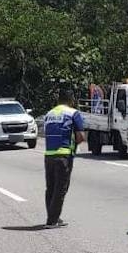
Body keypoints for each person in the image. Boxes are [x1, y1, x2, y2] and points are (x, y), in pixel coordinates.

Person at [43, 89, 85, 228]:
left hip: (49, 155)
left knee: (51, 188)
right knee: (61, 189)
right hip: (64, 155)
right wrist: (74, 145)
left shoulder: (49, 114)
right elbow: (81, 136)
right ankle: (52, 221)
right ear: (71, 100)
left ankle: (53, 215)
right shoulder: (73, 113)